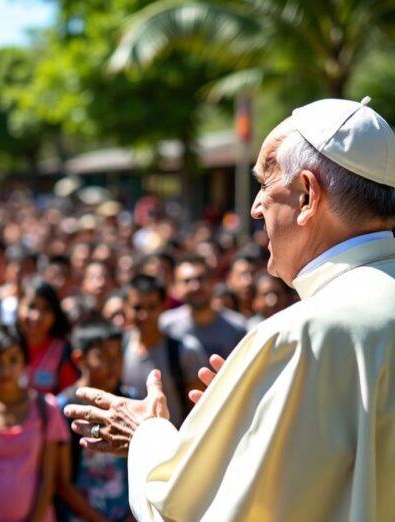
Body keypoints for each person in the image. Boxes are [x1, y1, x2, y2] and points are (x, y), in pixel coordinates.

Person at [64, 97, 395, 520]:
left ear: (308, 195)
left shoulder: (298, 336)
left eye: (265, 184)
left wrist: (145, 432)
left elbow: (190, 510)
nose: (256, 207)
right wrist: (250, 413)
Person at [0, 322, 68, 522]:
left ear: (25, 361)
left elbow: (48, 478)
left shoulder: (47, 409)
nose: (5, 368)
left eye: (13, 359)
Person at [56, 321, 133, 522]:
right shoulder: (64, 407)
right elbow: (61, 481)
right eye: (104, 356)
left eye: (118, 356)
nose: (113, 364)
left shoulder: (129, 402)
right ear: (79, 359)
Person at [121, 274, 206, 427]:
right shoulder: (120, 348)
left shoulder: (186, 351)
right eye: (137, 308)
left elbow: (200, 409)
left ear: (163, 307)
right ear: (126, 308)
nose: (144, 315)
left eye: (152, 307)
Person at [160, 255, 247, 359]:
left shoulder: (238, 327)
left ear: (213, 282)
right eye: (187, 281)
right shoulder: (166, 326)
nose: (195, 287)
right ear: (175, 287)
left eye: (200, 279)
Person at [17, 277, 78, 395]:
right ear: (19, 306)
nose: (37, 316)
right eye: (31, 307)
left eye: (46, 309)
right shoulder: (7, 344)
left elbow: (67, 397)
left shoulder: (63, 352)